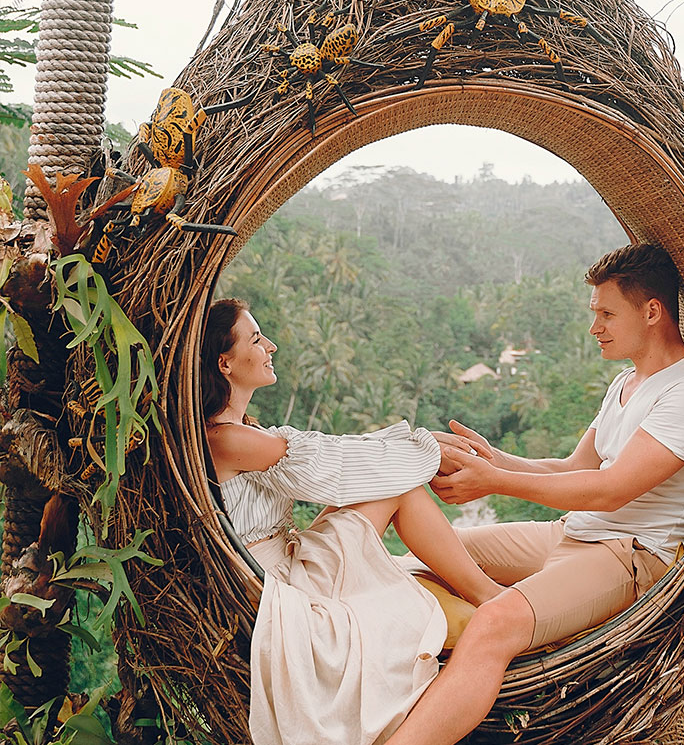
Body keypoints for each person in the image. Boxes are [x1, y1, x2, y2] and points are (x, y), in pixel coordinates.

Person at [387, 244, 684, 745]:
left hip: (634, 554)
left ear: (652, 311)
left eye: (607, 314)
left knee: (494, 625)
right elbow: (575, 469)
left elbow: (612, 490)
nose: (595, 328)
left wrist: (495, 481)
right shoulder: (626, 383)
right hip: (573, 533)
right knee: (420, 558)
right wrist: (495, 460)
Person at [201, 298, 503, 745]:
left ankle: (485, 593)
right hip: (275, 584)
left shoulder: (242, 431)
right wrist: (425, 450)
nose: (272, 346)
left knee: (390, 485)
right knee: (399, 487)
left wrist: (415, 447)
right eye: (257, 338)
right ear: (225, 362)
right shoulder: (225, 439)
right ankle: (491, 597)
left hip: (286, 558)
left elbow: (339, 454)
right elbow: (333, 463)